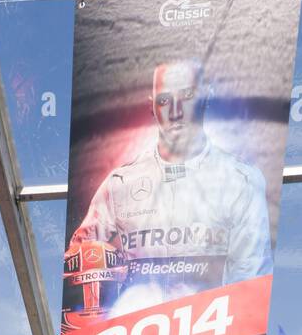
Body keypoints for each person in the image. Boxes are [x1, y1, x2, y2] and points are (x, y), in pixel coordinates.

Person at [65, 59, 272, 318]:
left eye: (186, 96)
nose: (175, 111)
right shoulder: (120, 183)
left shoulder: (241, 181)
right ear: (152, 105)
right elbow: (79, 257)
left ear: (205, 97)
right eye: (164, 100)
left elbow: (251, 280)